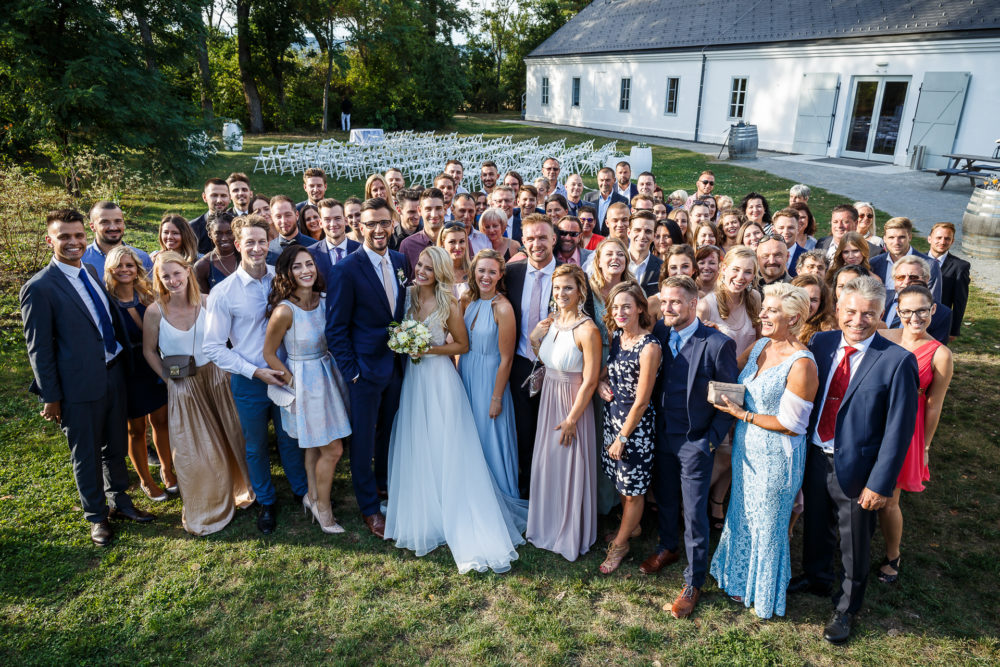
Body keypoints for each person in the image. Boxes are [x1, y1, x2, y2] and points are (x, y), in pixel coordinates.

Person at [790, 276, 919, 644]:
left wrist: (880, 483)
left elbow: (898, 431)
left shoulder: (897, 362)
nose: (858, 320)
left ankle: (847, 607)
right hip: (816, 454)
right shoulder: (822, 342)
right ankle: (816, 578)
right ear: (837, 310)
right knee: (816, 523)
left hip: (859, 469)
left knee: (854, 542)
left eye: (868, 314)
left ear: (882, 315)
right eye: (850, 311)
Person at [385, 246, 525, 572]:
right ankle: (426, 507)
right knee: (419, 440)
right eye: (420, 264)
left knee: (448, 443)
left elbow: (462, 345)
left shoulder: (449, 302)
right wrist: (403, 343)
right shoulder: (407, 297)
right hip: (414, 380)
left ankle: (456, 510)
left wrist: (427, 348)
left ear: (440, 274)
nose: (421, 271)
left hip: (438, 377)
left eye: (429, 269)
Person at [21, 209, 154, 546]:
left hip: (114, 374)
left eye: (78, 235)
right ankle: (97, 516)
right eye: (64, 236)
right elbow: (39, 349)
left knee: (115, 446)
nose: (73, 242)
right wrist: (51, 396)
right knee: (87, 454)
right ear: (49, 240)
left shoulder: (92, 272)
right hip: (77, 386)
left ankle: (121, 502)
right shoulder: (39, 288)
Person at [710, 282, 818, 618]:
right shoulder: (759, 347)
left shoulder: (802, 364)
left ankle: (762, 589)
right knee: (743, 512)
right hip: (747, 448)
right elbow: (733, 376)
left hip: (776, 456)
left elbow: (792, 424)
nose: (763, 315)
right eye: (764, 309)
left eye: (772, 311)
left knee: (769, 523)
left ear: (794, 317)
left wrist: (744, 415)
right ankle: (736, 578)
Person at [204, 214, 308, 535]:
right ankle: (266, 499)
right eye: (249, 242)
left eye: (262, 241)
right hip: (249, 379)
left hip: (286, 373)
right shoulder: (224, 293)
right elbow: (213, 347)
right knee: (257, 444)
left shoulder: (283, 278)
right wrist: (254, 371)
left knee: (291, 436)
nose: (257, 247)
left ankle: (302, 490)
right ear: (238, 245)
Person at [641, 275, 737, 620]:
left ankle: (694, 581)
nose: (667, 308)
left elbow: (729, 401)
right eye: (664, 302)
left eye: (676, 302)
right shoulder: (660, 333)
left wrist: (709, 441)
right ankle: (667, 547)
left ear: (694, 304)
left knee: (695, 513)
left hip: (694, 440)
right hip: (661, 433)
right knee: (665, 497)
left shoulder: (716, 343)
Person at [143, 251, 254, 535]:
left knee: (232, 437)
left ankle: (240, 489)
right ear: (159, 279)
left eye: (176, 273)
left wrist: (228, 369)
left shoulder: (208, 303)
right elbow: (149, 351)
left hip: (216, 377)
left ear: (188, 271)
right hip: (184, 383)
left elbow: (229, 340)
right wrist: (167, 379)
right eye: (165, 276)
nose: (172, 280)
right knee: (194, 448)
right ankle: (207, 507)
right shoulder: (155, 311)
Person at [326, 197, 408, 539]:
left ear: (393, 223)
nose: (378, 229)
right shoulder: (346, 269)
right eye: (370, 223)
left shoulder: (402, 260)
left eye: (384, 223)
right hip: (364, 370)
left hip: (397, 366)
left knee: (388, 431)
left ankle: (383, 484)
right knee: (362, 440)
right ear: (358, 226)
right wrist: (353, 372)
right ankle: (369, 507)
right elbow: (335, 329)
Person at [263, 246, 351, 534]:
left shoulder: (325, 300)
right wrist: (293, 382)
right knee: (333, 449)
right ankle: (324, 508)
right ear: (287, 273)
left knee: (315, 444)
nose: (306, 271)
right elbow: (269, 354)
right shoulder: (284, 311)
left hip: (329, 374)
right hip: (304, 380)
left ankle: (313, 498)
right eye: (298, 267)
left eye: (309, 264)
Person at [877, 285, 954, 586]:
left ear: (933, 310)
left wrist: (924, 446)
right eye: (907, 311)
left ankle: (893, 555)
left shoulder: (941, 354)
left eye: (922, 310)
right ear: (898, 311)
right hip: (874, 419)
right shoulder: (883, 338)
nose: (914, 317)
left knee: (889, 498)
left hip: (908, 425)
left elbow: (935, 405)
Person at [525, 264, 602, 561]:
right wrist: (534, 340)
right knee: (548, 464)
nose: (561, 293)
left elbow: (591, 379)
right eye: (557, 288)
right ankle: (546, 524)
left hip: (572, 403)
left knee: (568, 463)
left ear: (581, 291)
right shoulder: (552, 322)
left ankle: (569, 530)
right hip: (548, 400)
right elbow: (549, 360)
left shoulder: (588, 329)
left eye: (567, 287)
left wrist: (572, 418)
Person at [459, 250, 529, 530]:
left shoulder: (503, 308)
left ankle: (499, 499)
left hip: (491, 378)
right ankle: (470, 495)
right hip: (466, 372)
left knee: (491, 438)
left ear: (501, 275)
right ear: (474, 272)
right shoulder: (467, 299)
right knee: (469, 437)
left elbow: (507, 359)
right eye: (481, 271)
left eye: (492, 272)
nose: (485, 276)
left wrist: (497, 398)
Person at [596, 282, 662, 574]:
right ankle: (631, 528)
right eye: (615, 306)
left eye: (626, 306)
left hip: (635, 427)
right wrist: (601, 383)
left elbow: (643, 400)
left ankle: (620, 545)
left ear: (639, 308)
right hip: (612, 418)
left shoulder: (650, 346)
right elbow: (607, 371)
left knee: (633, 490)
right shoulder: (616, 338)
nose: (620, 312)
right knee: (619, 480)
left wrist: (623, 436)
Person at [697, 246, 761, 530]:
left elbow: (760, 341)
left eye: (748, 271)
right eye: (736, 269)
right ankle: (693, 499)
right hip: (717, 387)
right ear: (723, 268)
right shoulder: (707, 304)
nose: (741, 276)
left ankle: (717, 502)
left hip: (747, 384)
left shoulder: (754, 299)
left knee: (737, 450)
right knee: (721, 451)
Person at [103, 246, 173, 501]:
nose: (124, 270)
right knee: (136, 429)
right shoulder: (106, 301)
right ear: (111, 269)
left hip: (153, 367)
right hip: (127, 371)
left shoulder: (148, 295)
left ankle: (167, 469)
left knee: (162, 421)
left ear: (137, 269)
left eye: (129, 265)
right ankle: (146, 480)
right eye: (119, 266)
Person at [505, 215, 559, 496]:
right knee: (523, 431)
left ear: (553, 238)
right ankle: (526, 488)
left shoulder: (569, 276)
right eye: (531, 239)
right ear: (523, 242)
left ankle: (552, 488)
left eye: (542, 237)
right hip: (521, 365)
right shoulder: (511, 274)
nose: (537, 243)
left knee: (553, 431)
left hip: (557, 369)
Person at [589, 237, 637, 514]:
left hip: (624, 366)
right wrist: (595, 379)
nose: (615, 258)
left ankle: (616, 503)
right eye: (609, 254)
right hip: (592, 364)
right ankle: (594, 501)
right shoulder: (588, 290)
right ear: (598, 259)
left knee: (618, 434)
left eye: (621, 253)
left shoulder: (632, 290)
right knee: (594, 433)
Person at [870, 217, 943, 302]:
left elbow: (933, 302)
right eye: (891, 237)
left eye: (901, 237)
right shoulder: (874, 263)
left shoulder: (930, 265)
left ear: (910, 237)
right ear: (884, 239)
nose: (896, 242)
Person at [884, 256, 952, 345]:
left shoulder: (942, 313)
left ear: (926, 279)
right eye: (900, 277)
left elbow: (934, 350)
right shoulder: (879, 299)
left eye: (913, 277)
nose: (906, 282)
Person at [83, 201, 153, 276]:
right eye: (105, 222)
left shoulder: (142, 258)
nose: (113, 227)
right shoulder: (81, 259)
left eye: (118, 221)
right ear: (92, 226)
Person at [927, 222, 970, 340]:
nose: (942, 242)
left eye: (947, 238)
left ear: (952, 241)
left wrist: (954, 330)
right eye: (939, 237)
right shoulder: (917, 260)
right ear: (929, 239)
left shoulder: (960, 267)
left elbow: (960, 301)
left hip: (939, 322)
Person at [308, 197, 361, 287]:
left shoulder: (361, 251)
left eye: (337, 218)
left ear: (345, 220)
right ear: (320, 223)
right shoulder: (310, 254)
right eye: (327, 219)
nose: (333, 224)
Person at [399, 188, 445, 278]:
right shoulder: (407, 245)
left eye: (438, 208)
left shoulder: (456, 241)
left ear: (445, 209)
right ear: (420, 211)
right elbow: (403, 281)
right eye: (428, 209)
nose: (434, 214)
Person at [193, 212, 238, 294]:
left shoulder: (246, 257)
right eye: (218, 233)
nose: (224, 238)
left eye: (229, 232)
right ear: (210, 234)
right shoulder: (203, 266)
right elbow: (204, 301)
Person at [816, 204, 881, 260]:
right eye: (835, 222)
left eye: (845, 222)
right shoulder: (821, 243)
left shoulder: (873, 252)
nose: (839, 226)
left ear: (855, 224)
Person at [268, 195, 316, 264]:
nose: (283, 221)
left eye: (288, 215)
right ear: (272, 218)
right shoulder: (268, 251)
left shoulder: (315, 247)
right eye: (278, 216)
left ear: (297, 215)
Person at [792, 273, 837, 344]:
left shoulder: (827, 334)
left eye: (813, 300)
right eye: (803, 298)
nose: (807, 304)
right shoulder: (779, 325)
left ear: (821, 304)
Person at [190, 178, 233, 253]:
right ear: (204, 197)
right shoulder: (192, 228)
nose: (219, 200)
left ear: (230, 197)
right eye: (214, 195)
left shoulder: (238, 226)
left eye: (223, 196)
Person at [627, 211, 663, 296]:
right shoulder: (617, 263)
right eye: (637, 230)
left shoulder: (662, 268)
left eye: (648, 231)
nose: (642, 235)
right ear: (629, 232)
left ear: (654, 236)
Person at [438, 221, 470, 299]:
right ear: (443, 244)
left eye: (462, 241)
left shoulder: (474, 271)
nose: (458, 247)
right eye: (452, 242)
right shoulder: (435, 272)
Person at [771, 208, 806, 277]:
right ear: (773, 230)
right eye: (781, 228)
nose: (786, 232)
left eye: (791, 227)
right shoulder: (765, 256)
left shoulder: (806, 257)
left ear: (798, 229)